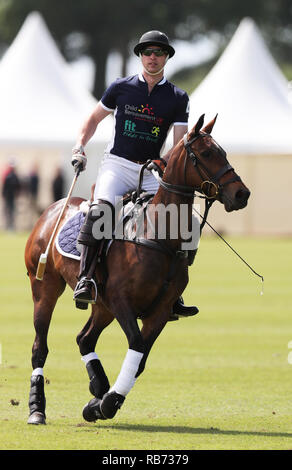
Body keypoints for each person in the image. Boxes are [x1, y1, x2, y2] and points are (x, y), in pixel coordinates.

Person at [71, 30, 198, 318]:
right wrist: (80, 146)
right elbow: (92, 120)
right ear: (140, 55)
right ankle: (86, 279)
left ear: (166, 57)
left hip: (152, 170)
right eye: (148, 52)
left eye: (159, 52)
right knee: (99, 212)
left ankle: (175, 293)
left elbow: (179, 142)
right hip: (118, 165)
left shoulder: (178, 97)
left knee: (184, 221)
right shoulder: (120, 87)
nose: (153, 57)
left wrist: (162, 162)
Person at [2, 160, 21, 230]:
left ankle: (11, 226)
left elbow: (18, 187)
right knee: (8, 211)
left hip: (12, 197)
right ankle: (8, 226)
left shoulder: (14, 176)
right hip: (8, 197)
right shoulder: (8, 176)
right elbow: (5, 187)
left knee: (12, 212)